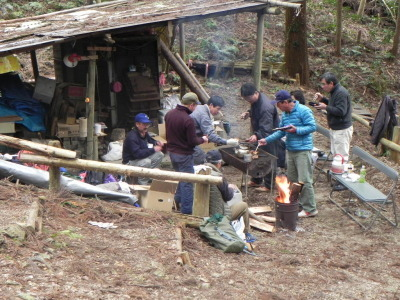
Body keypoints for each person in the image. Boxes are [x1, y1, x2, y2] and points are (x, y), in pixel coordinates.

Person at [258, 90, 318, 218]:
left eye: (278, 104)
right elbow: (281, 132)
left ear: (285, 102)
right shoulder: (285, 115)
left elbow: (312, 127)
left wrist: (297, 130)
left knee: (304, 180)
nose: (277, 106)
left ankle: (310, 209)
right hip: (290, 150)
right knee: (292, 180)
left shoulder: (303, 110)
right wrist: (266, 140)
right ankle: (297, 203)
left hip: (302, 150)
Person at [165, 92, 208, 214]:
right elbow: (192, 141)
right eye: (195, 106)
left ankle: (176, 202)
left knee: (179, 177)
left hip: (172, 153)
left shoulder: (169, 114)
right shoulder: (188, 120)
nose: (195, 109)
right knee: (187, 183)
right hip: (184, 155)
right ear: (191, 105)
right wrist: (203, 140)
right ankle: (187, 212)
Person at [205, 150, 257, 243]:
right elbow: (228, 197)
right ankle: (247, 234)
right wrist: (231, 189)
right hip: (217, 216)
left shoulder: (200, 171)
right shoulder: (218, 177)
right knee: (243, 205)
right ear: (219, 163)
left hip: (202, 213)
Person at [240, 83, 279, 192]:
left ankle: (269, 185)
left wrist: (256, 135)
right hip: (260, 133)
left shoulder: (266, 107)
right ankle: (256, 180)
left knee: (268, 159)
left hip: (269, 136)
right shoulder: (256, 100)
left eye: (249, 98)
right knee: (256, 156)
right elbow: (255, 111)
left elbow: (267, 128)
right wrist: (248, 112)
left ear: (256, 93)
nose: (248, 100)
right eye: (245, 98)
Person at [314, 72, 353, 162]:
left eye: (324, 84)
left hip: (342, 130)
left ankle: (340, 174)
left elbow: (341, 111)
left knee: (341, 157)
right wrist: (323, 99)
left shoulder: (341, 93)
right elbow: (334, 105)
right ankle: (335, 173)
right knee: (336, 155)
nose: (322, 87)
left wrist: (325, 107)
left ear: (331, 83)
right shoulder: (334, 92)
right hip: (335, 128)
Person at [190, 95, 239, 165]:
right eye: (218, 109)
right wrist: (226, 142)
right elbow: (210, 134)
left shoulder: (201, 107)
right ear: (211, 105)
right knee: (199, 160)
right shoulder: (204, 115)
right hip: (190, 141)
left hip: (191, 138)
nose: (218, 111)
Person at [122, 113, 164, 185]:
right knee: (146, 161)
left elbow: (150, 140)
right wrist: (153, 149)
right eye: (144, 124)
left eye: (147, 124)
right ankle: (142, 183)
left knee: (159, 154)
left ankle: (149, 176)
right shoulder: (132, 137)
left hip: (140, 157)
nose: (146, 126)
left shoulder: (143, 132)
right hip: (130, 161)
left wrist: (156, 142)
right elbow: (138, 154)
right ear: (137, 124)